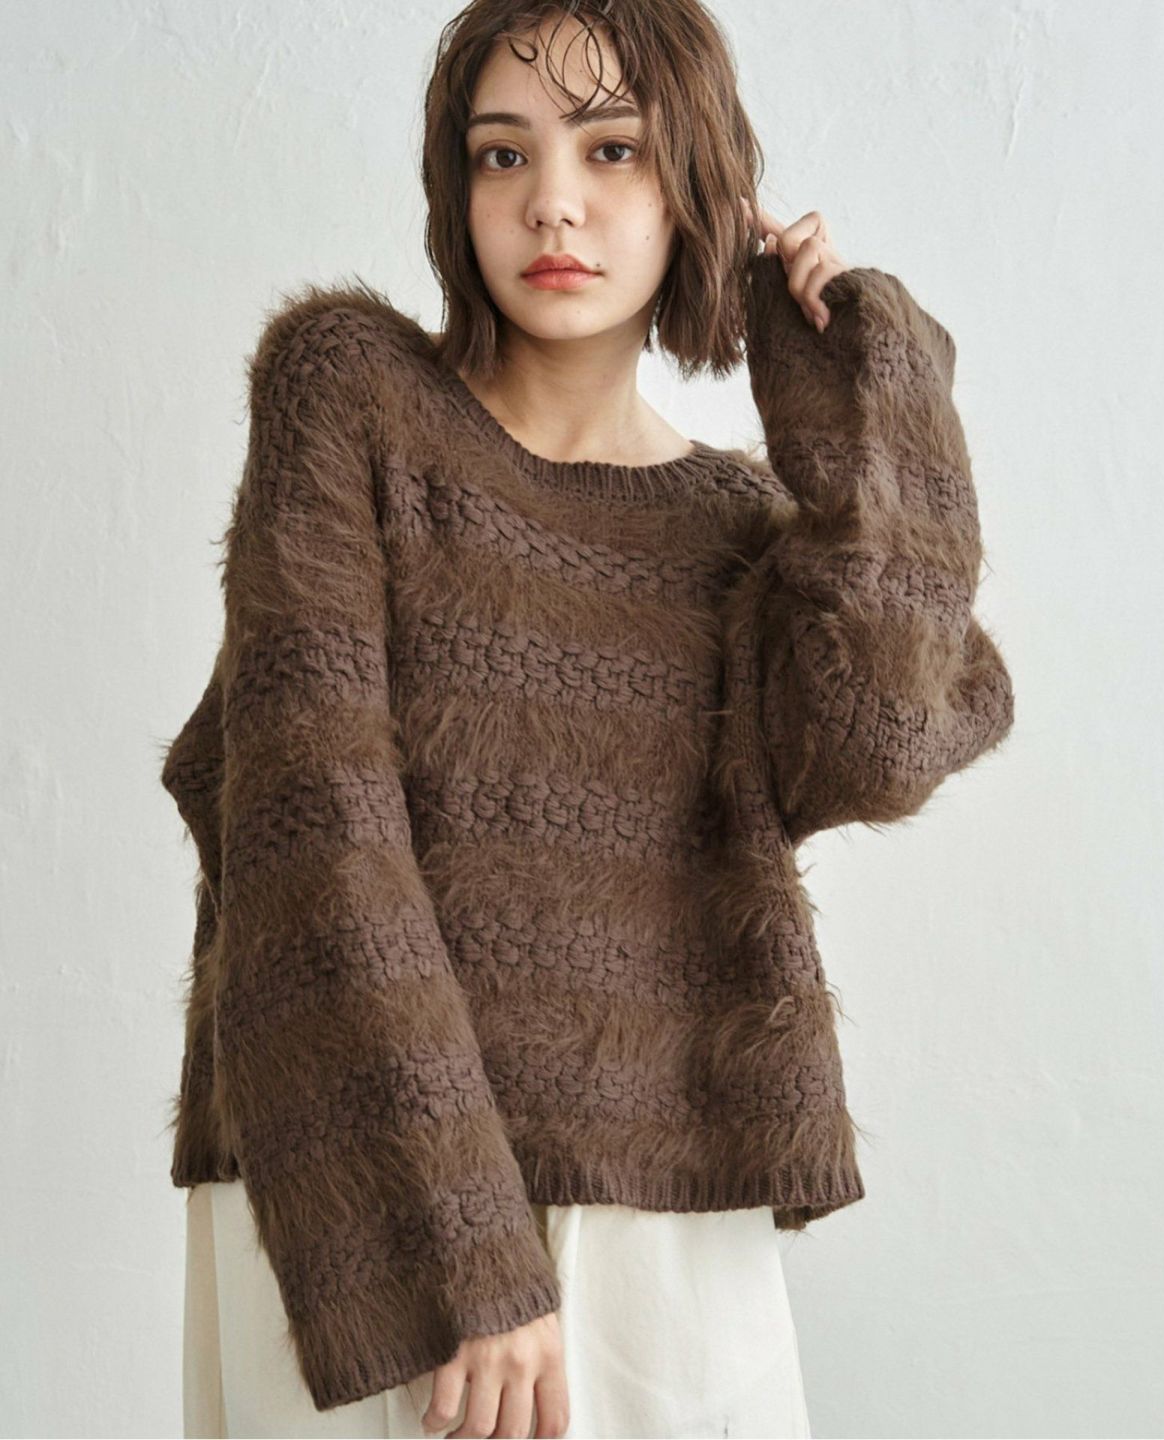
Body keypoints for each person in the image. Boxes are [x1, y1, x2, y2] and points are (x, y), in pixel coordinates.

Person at [161, 3, 1015, 1438]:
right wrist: (466, 1249)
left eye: (613, 149)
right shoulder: (351, 396)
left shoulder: (746, 532)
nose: (553, 201)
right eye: (503, 154)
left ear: (699, 188)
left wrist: (865, 397)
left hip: (656, 1224)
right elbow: (314, 821)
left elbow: (885, 737)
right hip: (362, 1205)